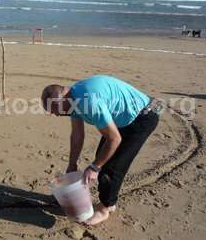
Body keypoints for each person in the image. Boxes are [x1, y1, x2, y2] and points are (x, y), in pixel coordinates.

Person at [41, 75, 161, 225]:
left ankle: (106, 208)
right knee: (103, 158)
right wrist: (72, 164)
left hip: (143, 116)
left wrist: (95, 167)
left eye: (55, 110)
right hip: (122, 118)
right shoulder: (72, 99)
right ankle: (109, 201)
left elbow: (114, 139)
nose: (55, 115)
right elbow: (77, 135)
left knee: (111, 167)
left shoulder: (89, 101)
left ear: (63, 99)